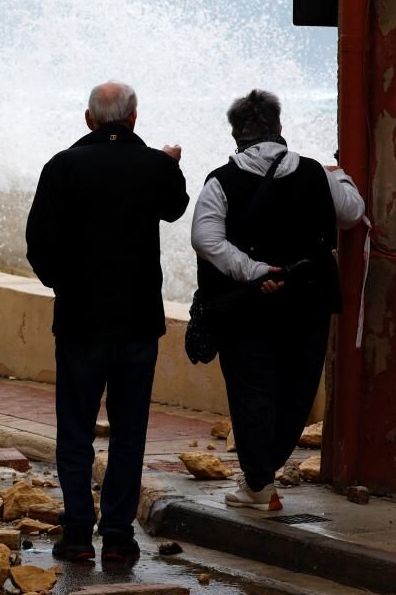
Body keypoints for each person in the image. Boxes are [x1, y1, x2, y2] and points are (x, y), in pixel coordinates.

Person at [26, 82, 189, 562]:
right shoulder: (156, 167)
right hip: (138, 323)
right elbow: (175, 209)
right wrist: (171, 165)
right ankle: (118, 535)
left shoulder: (63, 166)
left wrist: (66, 286)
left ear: (88, 119)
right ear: (134, 118)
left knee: (75, 429)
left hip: (80, 323)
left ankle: (77, 531)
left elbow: (38, 243)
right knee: (129, 430)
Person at [192, 89, 364, 510]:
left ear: (236, 134)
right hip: (309, 299)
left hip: (250, 303)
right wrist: (340, 173)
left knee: (252, 388)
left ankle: (258, 482)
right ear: (280, 128)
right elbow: (353, 212)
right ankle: (263, 474)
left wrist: (253, 271)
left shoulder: (221, 180)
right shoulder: (315, 174)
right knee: (296, 386)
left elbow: (205, 238)